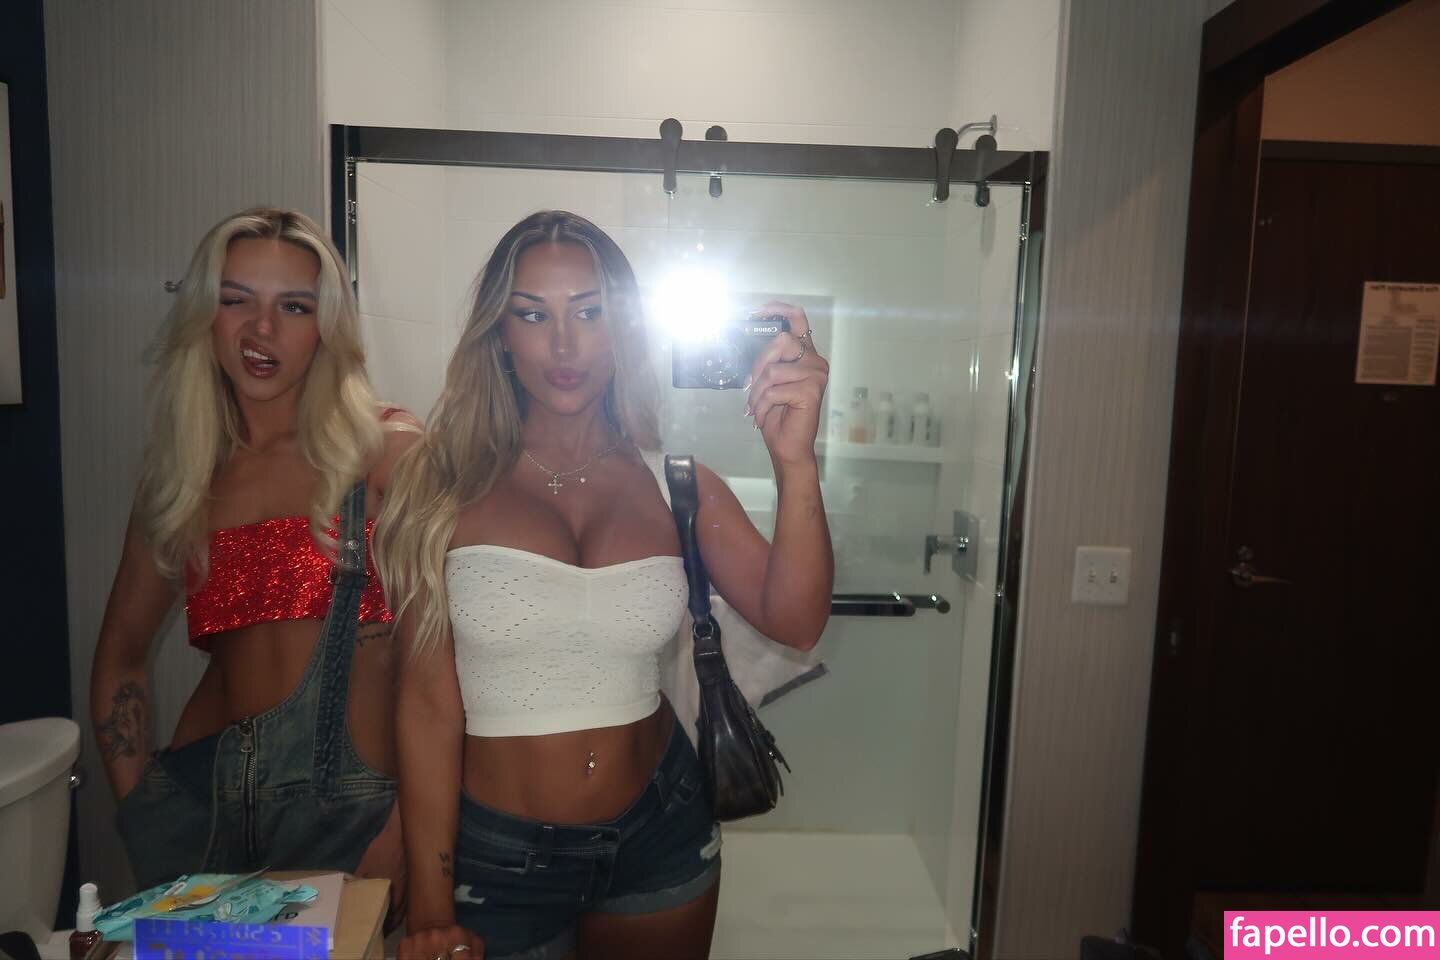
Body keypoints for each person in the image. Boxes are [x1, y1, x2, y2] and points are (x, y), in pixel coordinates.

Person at [380, 210, 833, 960]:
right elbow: (427, 705)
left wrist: (796, 461)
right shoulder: (441, 488)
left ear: (624, 328)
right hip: (497, 859)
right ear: (499, 334)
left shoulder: (677, 483)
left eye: (590, 313)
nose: (565, 345)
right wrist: (430, 907)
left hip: (661, 833)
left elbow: (798, 621)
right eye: (534, 315)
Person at [90, 208, 419, 906]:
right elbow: (120, 658)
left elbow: (445, 665)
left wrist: (409, 826)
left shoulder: (386, 452)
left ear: (327, 325)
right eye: (236, 300)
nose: (261, 330)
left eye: (294, 307)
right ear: (204, 314)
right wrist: (142, 814)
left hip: (356, 823)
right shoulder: (183, 476)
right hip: (201, 821)